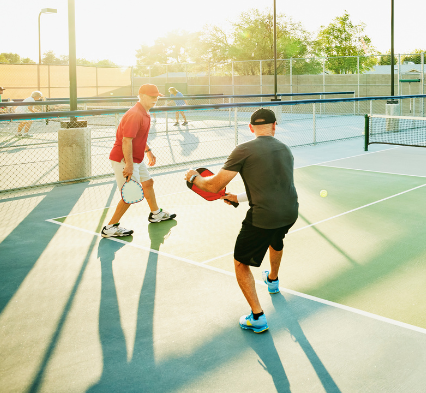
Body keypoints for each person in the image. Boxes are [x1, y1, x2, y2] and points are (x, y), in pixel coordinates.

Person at [184, 107, 299, 334]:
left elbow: (212, 185)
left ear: (251, 128)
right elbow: (273, 188)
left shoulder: (243, 149)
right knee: (276, 240)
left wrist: (192, 177)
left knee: (241, 262)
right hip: (289, 212)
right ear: (275, 126)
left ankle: (257, 317)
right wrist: (237, 197)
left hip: (263, 217)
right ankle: (273, 281)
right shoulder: (286, 150)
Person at [101, 84, 176, 238]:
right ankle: (110, 228)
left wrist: (148, 151)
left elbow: (138, 137)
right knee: (129, 195)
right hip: (124, 158)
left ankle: (155, 214)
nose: (155, 100)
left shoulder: (145, 113)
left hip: (136, 158)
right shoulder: (135, 114)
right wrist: (128, 164)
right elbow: (126, 141)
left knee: (148, 183)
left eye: (156, 97)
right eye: (151, 97)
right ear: (141, 95)